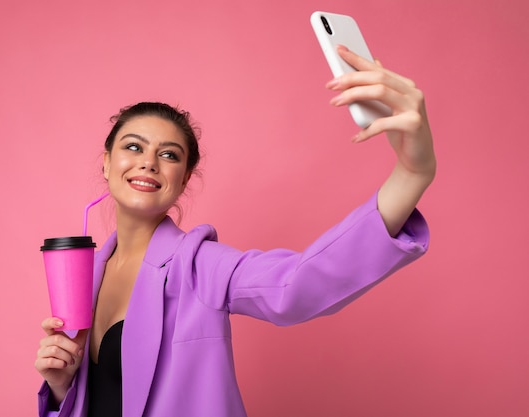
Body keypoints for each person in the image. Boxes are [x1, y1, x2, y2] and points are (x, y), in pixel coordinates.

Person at [34, 46, 436, 417]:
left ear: (184, 177)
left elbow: (297, 286)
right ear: (106, 163)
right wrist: (60, 385)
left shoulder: (201, 266)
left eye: (169, 154)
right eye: (134, 147)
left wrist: (412, 174)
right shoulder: (85, 275)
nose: (149, 162)